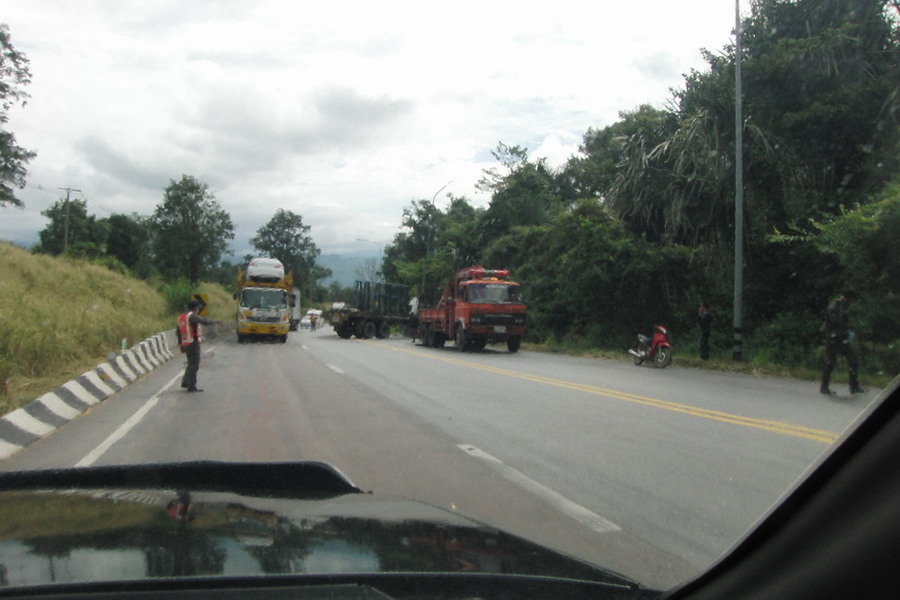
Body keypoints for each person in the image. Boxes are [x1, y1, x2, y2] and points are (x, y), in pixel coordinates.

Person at [820, 290, 864, 396]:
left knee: (853, 361)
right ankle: (824, 387)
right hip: (832, 338)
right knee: (831, 362)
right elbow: (837, 321)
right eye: (850, 300)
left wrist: (851, 329)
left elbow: (847, 321)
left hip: (843, 338)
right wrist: (842, 306)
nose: (851, 302)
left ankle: (854, 387)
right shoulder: (833, 306)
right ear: (845, 297)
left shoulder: (846, 307)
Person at [177, 299, 219, 393]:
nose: (198, 311)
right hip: (193, 343)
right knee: (194, 365)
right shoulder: (192, 317)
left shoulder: (181, 317)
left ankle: (185, 382)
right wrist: (216, 321)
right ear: (195, 308)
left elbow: (178, 332)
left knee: (190, 363)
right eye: (198, 309)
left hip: (186, 343)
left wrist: (181, 344)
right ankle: (191, 386)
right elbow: (204, 321)